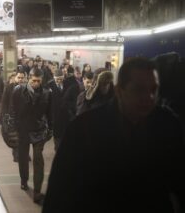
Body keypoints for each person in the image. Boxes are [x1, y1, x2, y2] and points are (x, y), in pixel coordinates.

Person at [43, 58, 185, 213]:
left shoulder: (168, 126)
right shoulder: (85, 128)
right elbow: (59, 190)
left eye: (153, 90)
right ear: (119, 90)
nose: (149, 97)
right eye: (139, 89)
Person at [10, 68, 53, 204]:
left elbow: (50, 113)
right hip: (22, 129)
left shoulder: (47, 93)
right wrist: (12, 129)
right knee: (23, 157)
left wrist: (50, 129)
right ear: (29, 78)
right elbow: (12, 110)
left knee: (38, 159)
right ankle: (24, 180)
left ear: (42, 80)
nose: (36, 83)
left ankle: (37, 192)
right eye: (33, 80)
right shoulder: (17, 90)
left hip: (39, 130)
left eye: (38, 81)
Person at [0, 70, 26, 162]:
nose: (20, 79)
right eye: (18, 77)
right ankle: (16, 154)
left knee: (23, 137)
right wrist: (4, 116)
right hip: (12, 117)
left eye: (22, 78)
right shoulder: (9, 88)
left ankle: (23, 153)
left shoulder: (28, 88)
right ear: (15, 78)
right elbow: (4, 103)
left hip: (24, 118)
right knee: (14, 137)